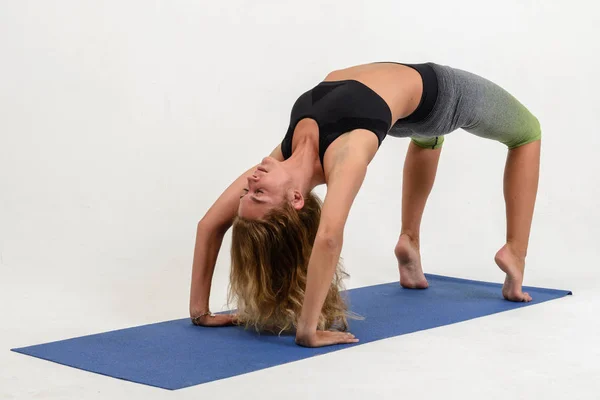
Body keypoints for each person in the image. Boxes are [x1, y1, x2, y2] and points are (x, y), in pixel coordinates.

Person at [188, 62, 541, 348]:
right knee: (527, 132)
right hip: (439, 96)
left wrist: (200, 311)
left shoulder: (285, 155)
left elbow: (210, 225)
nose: (250, 183)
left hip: (405, 114)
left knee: (427, 136)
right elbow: (328, 237)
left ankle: (410, 242)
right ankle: (515, 253)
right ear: (296, 199)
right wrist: (307, 330)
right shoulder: (346, 155)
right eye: (258, 194)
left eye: (246, 195)